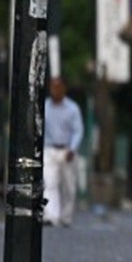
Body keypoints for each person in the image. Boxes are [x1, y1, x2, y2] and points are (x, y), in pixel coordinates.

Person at [41, 78, 84, 227]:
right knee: (49, 183)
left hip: (67, 150)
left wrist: (72, 148)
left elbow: (78, 131)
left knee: (68, 186)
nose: (55, 91)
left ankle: (66, 217)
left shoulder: (72, 109)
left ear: (64, 89)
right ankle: (51, 215)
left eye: (58, 88)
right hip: (49, 149)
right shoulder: (45, 107)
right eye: (52, 88)